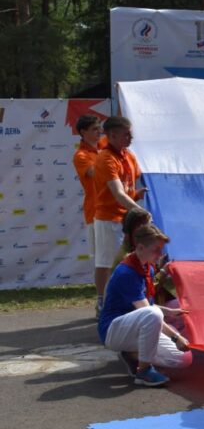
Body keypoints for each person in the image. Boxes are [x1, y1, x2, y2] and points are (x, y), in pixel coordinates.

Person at [97, 224, 192, 387]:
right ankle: (143, 371)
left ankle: (133, 353)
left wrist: (169, 311)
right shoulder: (127, 273)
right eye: (156, 250)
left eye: (161, 250)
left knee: (184, 359)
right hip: (113, 331)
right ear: (140, 247)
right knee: (154, 314)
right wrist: (176, 337)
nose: (160, 254)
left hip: (135, 323)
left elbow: (147, 304)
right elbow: (148, 311)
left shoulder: (147, 267)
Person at [92, 116, 147, 314]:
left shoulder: (128, 155)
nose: (130, 137)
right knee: (108, 263)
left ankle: (122, 302)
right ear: (112, 135)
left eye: (130, 132)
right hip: (109, 219)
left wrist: (136, 195)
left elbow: (128, 187)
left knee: (127, 261)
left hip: (127, 218)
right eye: (126, 133)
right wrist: (139, 211)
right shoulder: (105, 158)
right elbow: (117, 193)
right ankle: (103, 302)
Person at [72, 114, 106, 316]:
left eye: (99, 128)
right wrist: (109, 157)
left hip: (115, 211)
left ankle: (116, 300)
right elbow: (95, 173)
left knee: (118, 259)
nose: (99, 132)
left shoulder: (104, 146)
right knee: (102, 260)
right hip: (95, 213)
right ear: (83, 133)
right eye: (94, 129)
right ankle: (101, 302)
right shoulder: (81, 155)